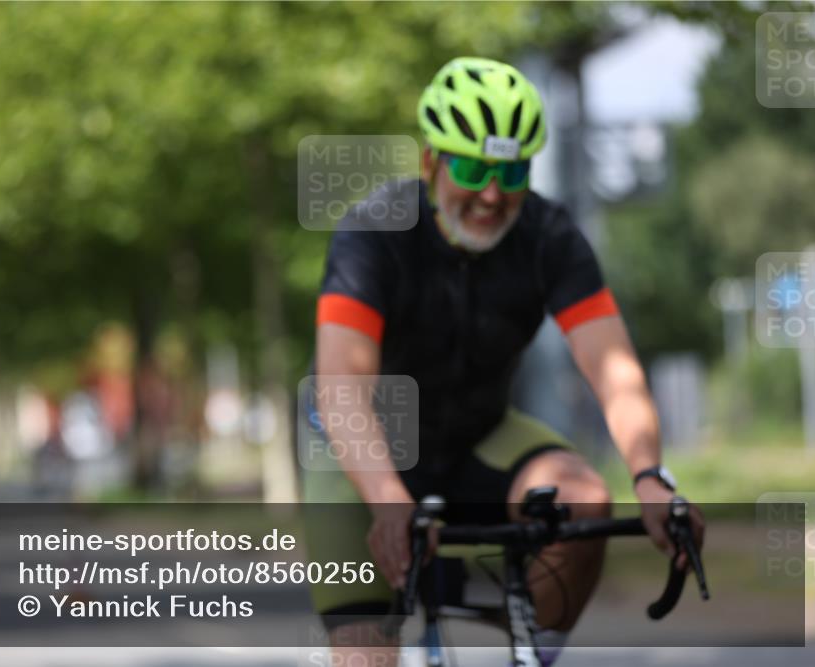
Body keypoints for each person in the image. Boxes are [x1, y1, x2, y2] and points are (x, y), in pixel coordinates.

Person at [301, 57, 704, 666]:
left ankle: (531, 653)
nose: (493, 193)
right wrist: (387, 497)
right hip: (361, 449)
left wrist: (650, 476)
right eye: (473, 168)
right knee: (363, 656)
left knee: (584, 499)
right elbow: (342, 387)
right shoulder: (372, 232)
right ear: (430, 161)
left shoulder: (548, 234)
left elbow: (613, 370)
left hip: (480, 435)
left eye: (512, 171)